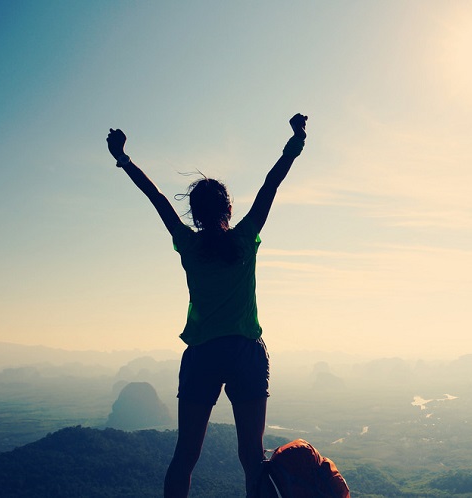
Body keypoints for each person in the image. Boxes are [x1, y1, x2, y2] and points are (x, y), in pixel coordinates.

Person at [106, 114, 308, 498]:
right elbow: (271, 184)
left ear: (195, 215)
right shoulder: (246, 238)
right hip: (246, 351)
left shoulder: (190, 245)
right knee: (252, 458)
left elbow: (158, 199)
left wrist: (124, 158)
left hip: (202, 354)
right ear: (229, 210)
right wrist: (295, 142)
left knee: (185, 457)